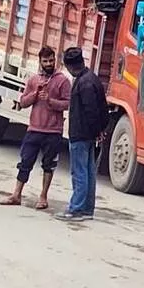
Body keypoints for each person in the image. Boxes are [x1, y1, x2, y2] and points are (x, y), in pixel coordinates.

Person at [2, 46, 70, 210]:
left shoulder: (63, 80)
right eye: (45, 61)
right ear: (40, 62)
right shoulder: (34, 80)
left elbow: (68, 104)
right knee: (25, 162)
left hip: (53, 131)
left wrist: (50, 101)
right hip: (34, 129)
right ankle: (16, 194)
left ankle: (43, 197)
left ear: (55, 60)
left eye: (51, 60)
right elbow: (23, 102)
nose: (48, 63)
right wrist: (35, 95)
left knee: (49, 165)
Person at [58, 46, 107, 222]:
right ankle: (87, 209)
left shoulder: (83, 83)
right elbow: (102, 108)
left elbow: (91, 111)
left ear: (70, 67)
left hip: (81, 134)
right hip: (90, 135)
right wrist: (100, 130)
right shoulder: (92, 79)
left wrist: (95, 130)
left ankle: (76, 209)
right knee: (88, 173)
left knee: (79, 173)